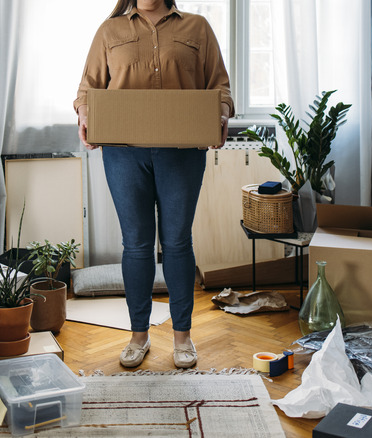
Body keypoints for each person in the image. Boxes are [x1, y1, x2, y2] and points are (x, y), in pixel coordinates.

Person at [74, 0, 233, 368]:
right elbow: (88, 89)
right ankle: (138, 336)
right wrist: (84, 115)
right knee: (137, 244)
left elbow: (220, 86)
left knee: (177, 242)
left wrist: (221, 114)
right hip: (124, 154)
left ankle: (182, 338)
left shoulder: (198, 28)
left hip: (182, 152)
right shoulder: (109, 31)